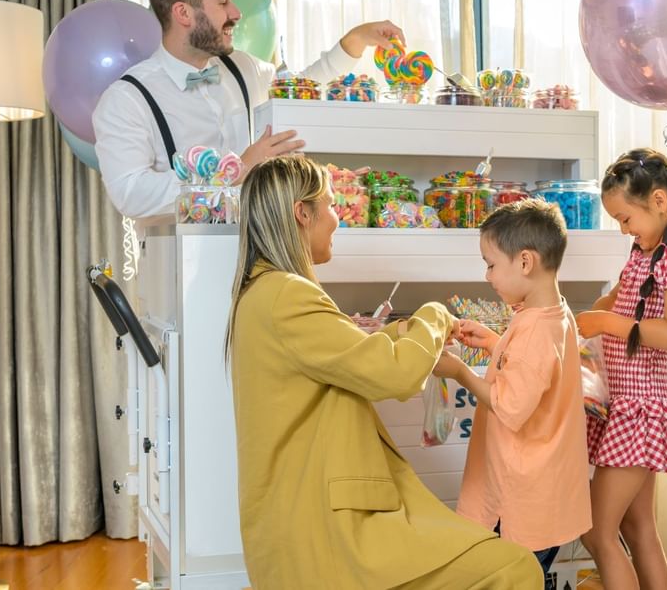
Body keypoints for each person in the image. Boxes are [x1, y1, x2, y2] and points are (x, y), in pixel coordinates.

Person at [226, 155, 544, 588]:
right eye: (332, 205)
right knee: (514, 569)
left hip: (302, 519)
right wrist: (432, 315)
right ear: (303, 213)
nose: (337, 219)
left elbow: (344, 352)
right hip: (328, 529)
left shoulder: (263, 292)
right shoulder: (288, 294)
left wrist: (403, 330)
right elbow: (394, 376)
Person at [93, 0, 403, 218]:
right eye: (224, 2)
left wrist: (355, 41)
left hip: (264, 254)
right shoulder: (126, 100)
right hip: (181, 267)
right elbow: (131, 194)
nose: (237, 12)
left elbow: (301, 90)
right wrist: (236, 169)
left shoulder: (244, 68)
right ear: (183, 13)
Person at [434, 198, 591, 589]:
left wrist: (460, 372)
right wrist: (493, 343)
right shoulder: (554, 314)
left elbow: (511, 405)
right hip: (546, 491)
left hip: (523, 496)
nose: (487, 275)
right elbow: (535, 372)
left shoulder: (534, 329)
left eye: (490, 264)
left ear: (525, 262)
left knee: (513, 579)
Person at [574, 148, 667, 590]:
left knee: (596, 529)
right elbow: (610, 304)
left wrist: (608, 322)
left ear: (658, 201)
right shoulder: (642, 252)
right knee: (637, 528)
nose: (623, 229)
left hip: (642, 411)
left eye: (625, 218)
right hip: (627, 410)